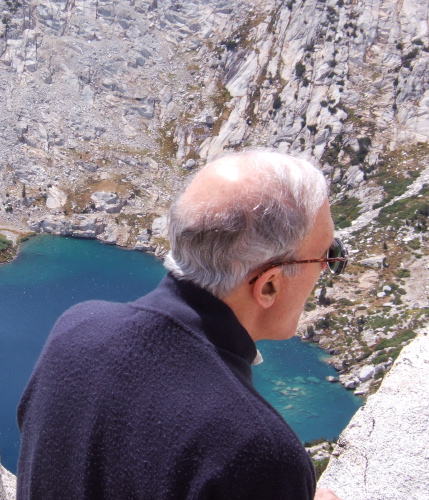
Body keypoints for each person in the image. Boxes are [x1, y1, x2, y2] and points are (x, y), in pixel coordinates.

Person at [17, 150, 346, 499]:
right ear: (269, 285)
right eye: (328, 254)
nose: (329, 266)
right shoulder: (261, 453)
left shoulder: (75, 330)